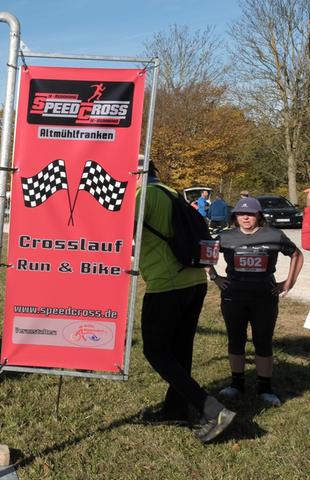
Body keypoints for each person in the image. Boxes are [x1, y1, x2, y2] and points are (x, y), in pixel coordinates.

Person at [136, 158, 235, 443]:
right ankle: (176, 411)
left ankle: (212, 410)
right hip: (193, 281)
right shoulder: (169, 191)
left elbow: (117, 232)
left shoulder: (146, 195)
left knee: (156, 351)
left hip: (167, 284)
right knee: (180, 350)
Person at [208, 197, 303, 407]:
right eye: (241, 214)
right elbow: (205, 255)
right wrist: (215, 277)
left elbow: (296, 255)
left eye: (250, 214)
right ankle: (236, 384)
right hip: (234, 297)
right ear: (235, 217)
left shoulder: (274, 235)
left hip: (264, 298)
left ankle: (265, 388)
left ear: (259, 215)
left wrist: (289, 283)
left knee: (263, 341)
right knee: (235, 339)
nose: (245, 217)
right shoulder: (225, 237)